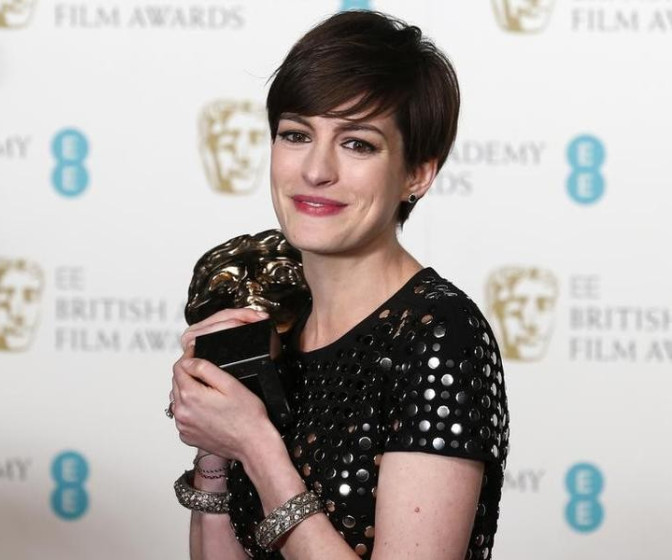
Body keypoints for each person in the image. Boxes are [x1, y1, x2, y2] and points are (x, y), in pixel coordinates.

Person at [169, 10, 509, 560]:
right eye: (296, 135)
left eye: (358, 144)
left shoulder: (439, 336)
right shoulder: (277, 318)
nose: (316, 170)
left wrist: (256, 445)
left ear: (418, 173)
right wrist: (215, 449)